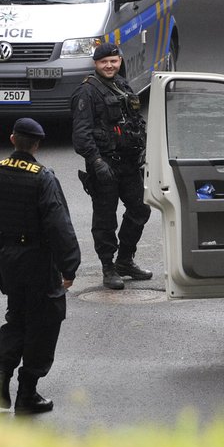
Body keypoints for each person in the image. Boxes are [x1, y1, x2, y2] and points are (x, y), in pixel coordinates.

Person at [0, 118, 80, 414]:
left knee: (17, 316)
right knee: (45, 323)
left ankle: (1, 374)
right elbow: (58, 224)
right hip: (38, 260)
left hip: (8, 259)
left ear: (13, 139)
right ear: (37, 145)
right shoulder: (43, 177)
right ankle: (27, 392)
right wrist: (69, 266)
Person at [71, 43, 154, 290]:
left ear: (119, 61)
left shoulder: (123, 84)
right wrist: (96, 162)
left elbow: (135, 119)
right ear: (96, 64)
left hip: (129, 164)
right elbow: (81, 135)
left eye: (113, 61)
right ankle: (108, 268)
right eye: (104, 62)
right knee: (106, 220)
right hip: (104, 166)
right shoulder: (87, 93)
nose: (109, 66)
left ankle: (125, 261)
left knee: (140, 210)